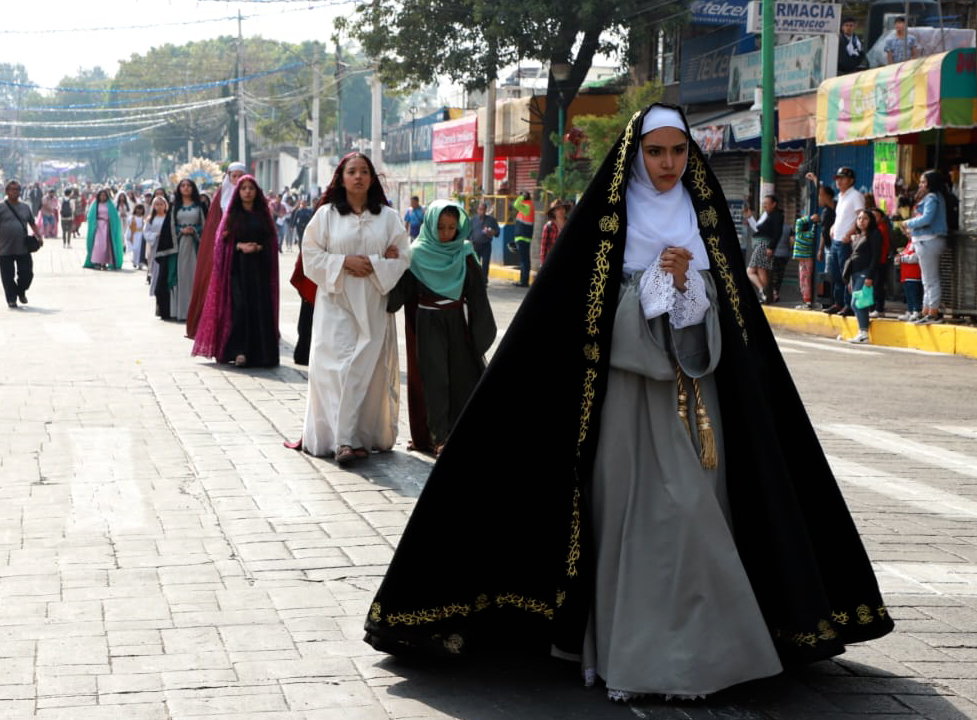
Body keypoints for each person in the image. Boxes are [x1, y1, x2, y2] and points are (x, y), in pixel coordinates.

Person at [361, 104, 893, 701]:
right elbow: (582, 322)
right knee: (637, 521)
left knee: (697, 515)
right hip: (624, 399)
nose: (667, 165)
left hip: (700, 393)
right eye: (655, 152)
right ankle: (637, 653)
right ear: (635, 155)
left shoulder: (702, 217)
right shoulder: (607, 225)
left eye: (678, 152)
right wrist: (654, 287)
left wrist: (689, 288)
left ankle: (706, 651)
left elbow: (728, 318)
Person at [288, 153, 410, 466]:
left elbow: (402, 257)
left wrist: (375, 263)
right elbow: (311, 255)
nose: (358, 177)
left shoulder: (388, 218)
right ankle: (339, 440)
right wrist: (344, 262)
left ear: (372, 178)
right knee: (333, 370)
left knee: (363, 372)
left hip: (371, 304)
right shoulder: (326, 216)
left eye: (364, 172)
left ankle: (354, 438)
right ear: (341, 178)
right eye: (352, 172)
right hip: (335, 302)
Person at [387, 200, 495, 456]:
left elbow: (477, 293)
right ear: (431, 226)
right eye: (441, 228)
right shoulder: (417, 254)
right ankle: (439, 437)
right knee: (435, 380)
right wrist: (392, 263)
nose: (446, 234)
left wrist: (480, 333)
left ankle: (459, 431)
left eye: (451, 228)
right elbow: (400, 294)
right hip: (428, 323)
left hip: (458, 321)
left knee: (462, 376)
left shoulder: (465, 252)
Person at [192, 175, 281, 367]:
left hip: (259, 270)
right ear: (237, 192)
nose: (247, 191)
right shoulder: (231, 216)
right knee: (240, 308)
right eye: (243, 188)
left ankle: (260, 353)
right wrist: (239, 246)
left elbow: (271, 243)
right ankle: (238, 350)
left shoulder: (263, 216)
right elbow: (220, 244)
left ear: (257, 192)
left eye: (251, 188)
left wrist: (258, 248)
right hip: (236, 270)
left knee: (259, 308)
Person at [186, 163, 246, 338]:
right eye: (234, 176)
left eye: (240, 175)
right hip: (225, 247)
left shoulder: (251, 193)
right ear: (228, 177)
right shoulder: (222, 196)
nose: (237, 180)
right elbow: (214, 225)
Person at [898, 170, 949, 324]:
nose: (920, 185)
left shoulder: (932, 197)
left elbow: (927, 218)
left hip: (930, 240)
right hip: (925, 241)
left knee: (931, 279)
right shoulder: (931, 197)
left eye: (923, 182)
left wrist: (907, 223)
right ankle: (926, 310)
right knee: (927, 279)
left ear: (931, 183)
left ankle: (932, 312)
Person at [812, 168, 865, 314]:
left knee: (846, 275)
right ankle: (838, 303)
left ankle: (849, 305)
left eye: (842, 178)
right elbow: (840, 216)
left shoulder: (856, 196)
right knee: (835, 275)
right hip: (835, 240)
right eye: (837, 178)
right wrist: (834, 227)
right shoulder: (841, 196)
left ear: (851, 180)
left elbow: (861, 218)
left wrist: (850, 232)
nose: (839, 181)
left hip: (845, 241)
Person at [154, 179, 205, 320]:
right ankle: (181, 311)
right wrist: (181, 230)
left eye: (189, 186)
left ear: (193, 188)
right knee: (179, 276)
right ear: (179, 189)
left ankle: (197, 312)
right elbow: (169, 228)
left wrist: (194, 230)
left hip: (196, 246)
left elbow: (206, 226)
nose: (186, 188)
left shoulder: (200, 206)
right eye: (183, 186)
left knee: (195, 276)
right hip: (179, 247)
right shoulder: (174, 207)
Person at [0, 180, 41, 309]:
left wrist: (39, 236)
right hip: (4, 248)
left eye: (17, 189)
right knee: (7, 276)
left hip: (23, 247)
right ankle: (11, 299)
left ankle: (21, 290)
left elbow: (32, 223)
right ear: (7, 191)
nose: (15, 192)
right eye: (12, 189)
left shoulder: (25, 207)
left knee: (27, 274)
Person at [841, 209, 880, 343]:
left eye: (865, 219)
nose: (861, 221)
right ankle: (861, 332)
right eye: (859, 219)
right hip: (855, 273)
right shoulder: (859, 235)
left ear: (871, 221)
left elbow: (876, 257)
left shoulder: (874, 234)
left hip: (865, 273)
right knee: (856, 303)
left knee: (858, 303)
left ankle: (863, 333)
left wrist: (870, 276)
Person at [742, 195, 783, 304]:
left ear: (774, 204)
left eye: (766, 203)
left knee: (750, 271)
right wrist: (750, 217)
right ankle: (765, 297)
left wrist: (771, 247)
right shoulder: (766, 215)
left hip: (764, 245)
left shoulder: (776, 216)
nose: (764, 205)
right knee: (761, 270)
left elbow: (777, 233)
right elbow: (757, 229)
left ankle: (763, 292)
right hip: (760, 245)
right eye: (763, 203)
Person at [83, 188, 124, 271]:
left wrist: (111, 224)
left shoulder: (110, 205)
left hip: (107, 228)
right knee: (98, 245)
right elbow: (90, 216)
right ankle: (97, 262)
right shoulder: (95, 204)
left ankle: (104, 262)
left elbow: (114, 217)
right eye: (101, 195)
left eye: (104, 195)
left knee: (106, 246)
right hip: (97, 227)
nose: (103, 197)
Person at [791, 211, 819, 308]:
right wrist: (814, 222)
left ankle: (807, 301)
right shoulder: (810, 235)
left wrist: (809, 218)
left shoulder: (799, 234)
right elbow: (815, 228)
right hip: (808, 259)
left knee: (804, 280)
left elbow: (798, 222)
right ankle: (807, 300)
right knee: (806, 279)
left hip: (803, 260)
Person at [469, 201, 500, 278]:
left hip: (486, 245)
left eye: (483, 210)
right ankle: (476, 281)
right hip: (475, 245)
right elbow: (468, 233)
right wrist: (469, 242)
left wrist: (491, 232)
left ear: (486, 210)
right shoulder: (472, 220)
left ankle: (484, 281)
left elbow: (497, 233)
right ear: (477, 210)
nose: (482, 211)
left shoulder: (491, 220)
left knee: (485, 264)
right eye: (480, 209)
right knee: (476, 265)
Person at [511, 190, 535, 287]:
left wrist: (521, 196)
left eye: (520, 196)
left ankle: (524, 281)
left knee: (524, 260)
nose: (518, 197)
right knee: (524, 260)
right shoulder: (527, 206)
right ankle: (523, 280)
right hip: (523, 237)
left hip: (523, 238)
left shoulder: (527, 207)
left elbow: (515, 204)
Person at [539, 200, 569, 267]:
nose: (561, 210)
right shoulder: (548, 227)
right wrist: (543, 265)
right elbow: (543, 248)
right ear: (553, 212)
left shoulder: (570, 224)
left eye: (562, 208)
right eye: (558, 208)